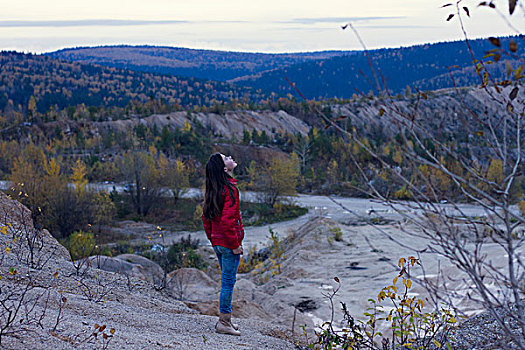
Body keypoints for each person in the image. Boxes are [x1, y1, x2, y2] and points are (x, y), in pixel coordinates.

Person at [202, 153, 244, 336]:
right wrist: (235, 244)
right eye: (226, 157)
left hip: (218, 243)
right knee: (228, 283)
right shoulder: (230, 189)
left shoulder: (213, 189)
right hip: (228, 244)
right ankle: (224, 322)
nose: (230, 157)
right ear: (224, 168)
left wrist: (213, 240)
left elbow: (206, 218)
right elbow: (228, 221)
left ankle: (226, 321)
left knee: (226, 282)